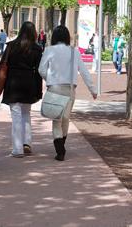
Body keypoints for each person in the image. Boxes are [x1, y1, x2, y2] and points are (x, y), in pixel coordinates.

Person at [39, 26, 97, 161]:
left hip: (54, 88)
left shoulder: (49, 50)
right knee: (65, 118)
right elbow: (84, 72)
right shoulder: (74, 52)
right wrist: (92, 90)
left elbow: (41, 69)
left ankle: (60, 150)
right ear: (67, 37)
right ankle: (61, 146)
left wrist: (50, 79)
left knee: (56, 119)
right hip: (70, 90)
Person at [1, 22, 43, 158]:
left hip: (13, 83)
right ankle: (27, 144)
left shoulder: (11, 46)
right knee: (26, 114)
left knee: (16, 116)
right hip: (29, 83)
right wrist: (38, 90)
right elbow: (39, 71)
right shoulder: (37, 49)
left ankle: (17, 148)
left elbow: (3, 65)